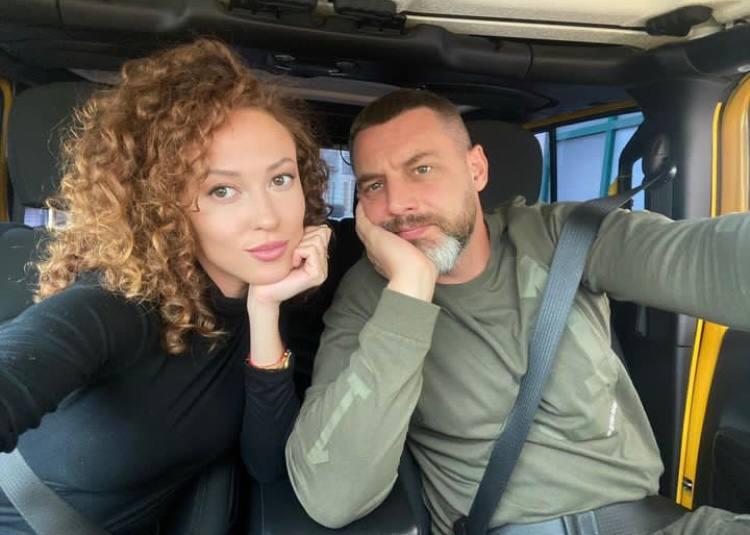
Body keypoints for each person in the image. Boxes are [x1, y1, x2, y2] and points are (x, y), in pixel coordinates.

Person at [285, 89, 750, 534]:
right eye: (374, 185)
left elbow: (712, 257)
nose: (397, 204)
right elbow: (332, 496)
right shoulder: (368, 296)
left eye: (422, 169)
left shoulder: (564, 236)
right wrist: (408, 290)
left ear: (476, 169)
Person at [0, 39, 329, 534]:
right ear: (161, 206)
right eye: (222, 190)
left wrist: (265, 310)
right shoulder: (113, 306)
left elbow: (266, 463)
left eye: (280, 180)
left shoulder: (259, 307)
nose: (268, 217)